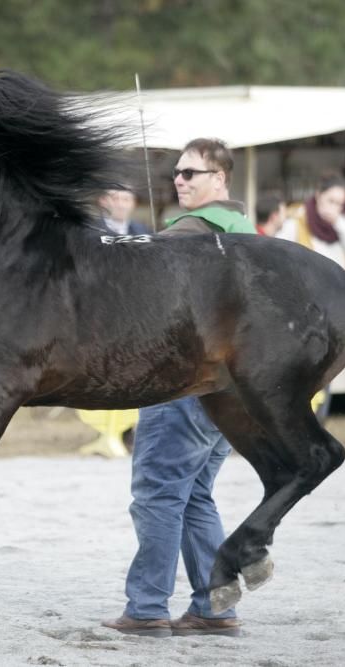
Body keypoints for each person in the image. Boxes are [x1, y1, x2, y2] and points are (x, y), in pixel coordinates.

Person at [103, 138, 252, 639]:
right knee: (195, 497)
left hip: (181, 384)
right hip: (232, 392)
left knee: (157, 495)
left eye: (193, 172)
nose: (181, 179)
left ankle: (146, 607)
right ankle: (214, 608)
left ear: (221, 180)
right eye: (178, 173)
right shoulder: (246, 231)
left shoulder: (188, 233)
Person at [278, 173, 345, 270]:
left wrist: (338, 223)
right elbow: (279, 253)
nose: (334, 208)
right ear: (318, 195)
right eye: (331, 201)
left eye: (340, 204)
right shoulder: (297, 220)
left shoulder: (342, 223)